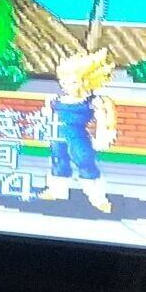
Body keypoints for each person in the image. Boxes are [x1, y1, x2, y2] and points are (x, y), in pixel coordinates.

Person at [40, 48, 118, 213]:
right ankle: (56, 191)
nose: (66, 86)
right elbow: (47, 118)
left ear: (86, 81)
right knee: (58, 162)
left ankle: (98, 199)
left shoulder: (92, 101)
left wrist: (102, 136)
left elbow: (103, 121)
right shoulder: (56, 100)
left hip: (78, 138)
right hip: (57, 137)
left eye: (73, 82)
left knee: (85, 163)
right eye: (64, 81)